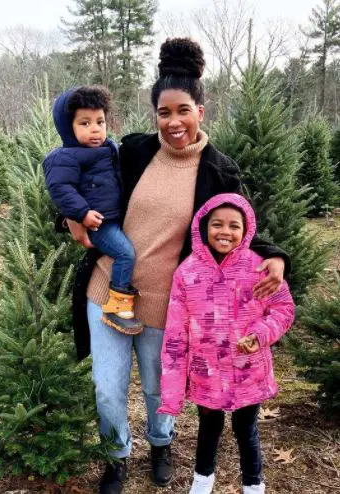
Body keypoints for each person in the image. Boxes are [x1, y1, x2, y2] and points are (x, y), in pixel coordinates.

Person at [65, 38, 291, 494]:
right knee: (108, 391)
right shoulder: (130, 152)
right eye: (164, 113)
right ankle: (116, 457)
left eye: (183, 111)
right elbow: (81, 184)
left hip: (167, 304)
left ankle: (160, 444)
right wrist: (68, 216)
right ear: (155, 115)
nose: (174, 122)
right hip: (109, 291)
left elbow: (239, 221)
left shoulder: (218, 169)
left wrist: (275, 257)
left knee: (156, 389)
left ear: (200, 112)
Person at [158, 193, 295, 494]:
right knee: (208, 429)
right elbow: (176, 332)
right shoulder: (188, 272)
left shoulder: (260, 267)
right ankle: (202, 479)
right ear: (203, 227)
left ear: (246, 230)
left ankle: (253, 483)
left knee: (246, 429)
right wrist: (171, 390)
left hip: (249, 371)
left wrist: (259, 335)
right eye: (217, 224)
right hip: (206, 373)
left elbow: (283, 308)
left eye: (234, 226)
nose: (225, 231)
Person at [43, 86, 142, 334]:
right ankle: (117, 305)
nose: (95, 128)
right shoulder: (65, 156)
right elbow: (60, 188)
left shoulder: (108, 149)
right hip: (98, 223)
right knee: (125, 254)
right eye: (85, 123)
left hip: (112, 217)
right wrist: (82, 213)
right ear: (68, 127)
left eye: (100, 121)